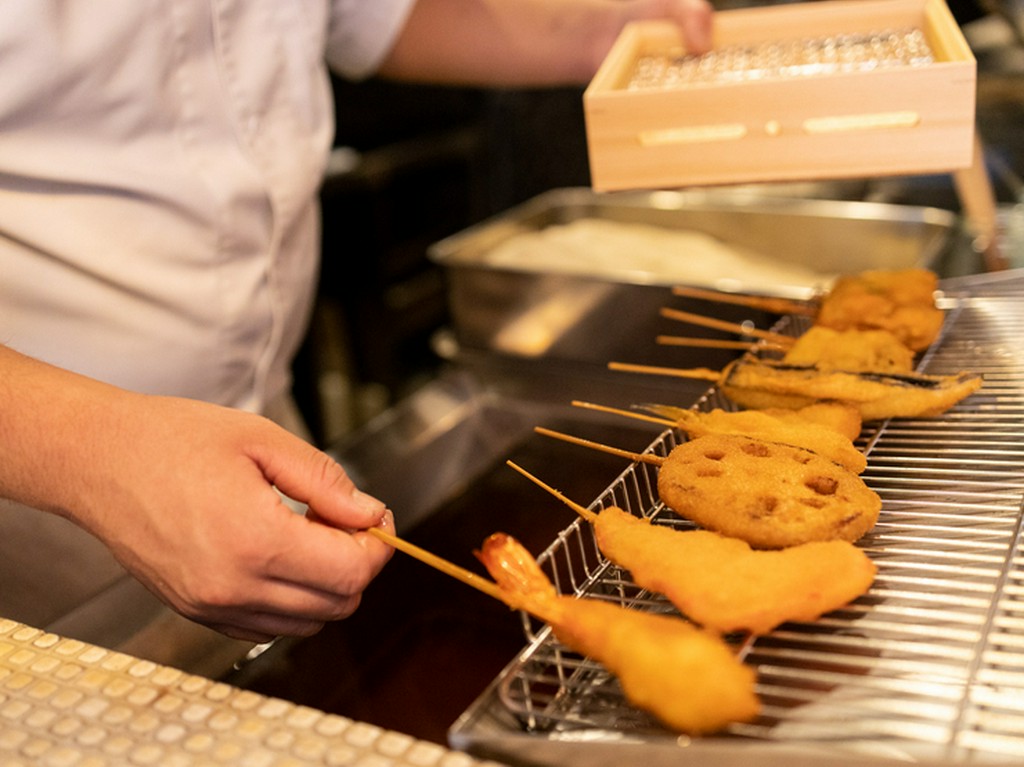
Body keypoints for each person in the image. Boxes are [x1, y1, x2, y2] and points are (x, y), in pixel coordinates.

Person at [0, 0, 713, 651]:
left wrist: (613, 26)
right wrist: (101, 456)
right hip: (41, 492)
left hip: (252, 436)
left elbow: (380, 15)